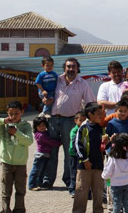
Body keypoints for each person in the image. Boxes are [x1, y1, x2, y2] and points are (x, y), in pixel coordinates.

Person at [42, 57, 96, 190]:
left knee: (69, 152)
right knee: (51, 152)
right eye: (68, 67)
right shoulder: (57, 80)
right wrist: (44, 99)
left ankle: (68, 180)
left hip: (71, 121)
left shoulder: (82, 84)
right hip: (53, 120)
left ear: (78, 69)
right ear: (64, 68)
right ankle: (47, 180)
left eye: (73, 67)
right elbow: (44, 92)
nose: (70, 69)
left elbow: (90, 103)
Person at [0, 100, 33, 213]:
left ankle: (19, 210)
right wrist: (3, 121)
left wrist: (16, 132)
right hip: (6, 163)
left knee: (20, 190)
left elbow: (29, 141)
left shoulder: (26, 126)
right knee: (6, 190)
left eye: (16, 113)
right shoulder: (3, 126)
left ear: (22, 112)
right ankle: (5, 210)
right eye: (11, 113)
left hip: (20, 164)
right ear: (7, 113)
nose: (13, 116)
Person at [73, 102, 107, 213]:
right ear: (90, 114)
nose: (101, 115)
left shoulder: (102, 128)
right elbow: (77, 145)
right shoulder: (83, 127)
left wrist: (106, 142)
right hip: (84, 166)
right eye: (98, 113)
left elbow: (104, 147)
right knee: (81, 190)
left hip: (98, 165)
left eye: (101, 113)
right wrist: (85, 160)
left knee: (98, 191)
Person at [102, 133, 128, 213]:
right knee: (126, 204)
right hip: (126, 183)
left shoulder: (113, 157)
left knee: (116, 205)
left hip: (115, 185)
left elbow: (108, 172)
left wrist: (105, 177)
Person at [28, 117, 61, 191]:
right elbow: (50, 142)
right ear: (36, 127)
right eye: (39, 126)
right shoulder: (41, 135)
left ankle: (39, 183)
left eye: (43, 125)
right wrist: (60, 142)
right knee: (36, 170)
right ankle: (31, 184)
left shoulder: (44, 133)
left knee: (42, 170)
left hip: (46, 154)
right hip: (40, 155)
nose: (42, 127)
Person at [68, 111, 87, 197]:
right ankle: (72, 189)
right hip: (74, 155)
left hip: (82, 155)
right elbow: (75, 142)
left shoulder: (86, 129)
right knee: (74, 173)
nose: (82, 122)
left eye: (84, 120)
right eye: (80, 120)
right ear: (75, 120)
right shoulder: (74, 130)